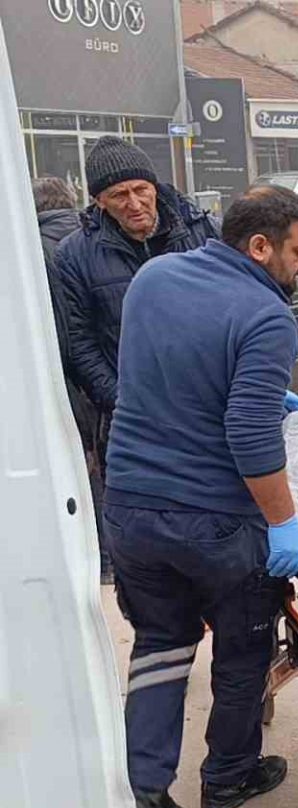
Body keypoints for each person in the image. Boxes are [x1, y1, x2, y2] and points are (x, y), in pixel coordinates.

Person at [104, 186, 298, 808]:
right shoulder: (267, 316)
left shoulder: (153, 277)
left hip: (132, 507)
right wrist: (282, 522)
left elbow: (163, 372)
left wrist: (259, 391)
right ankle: (230, 775)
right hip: (215, 521)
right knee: (243, 646)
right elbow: (249, 437)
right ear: (259, 247)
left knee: (161, 644)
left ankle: (145, 792)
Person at [56, 136, 221, 434]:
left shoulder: (207, 233)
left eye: (140, 190)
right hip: (134, 421)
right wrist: (124, 404)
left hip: (211, 408)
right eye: (119, 195)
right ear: (99, 201)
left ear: (154, 187)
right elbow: (79, 342)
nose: (134, 204)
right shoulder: (74, 255)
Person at [34, 176, 110, 584]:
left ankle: (101, 558)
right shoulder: (93, 242)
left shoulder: (35, 251)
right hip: (107, 371)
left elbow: (63, 330)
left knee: (81, 465)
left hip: (72, 376)